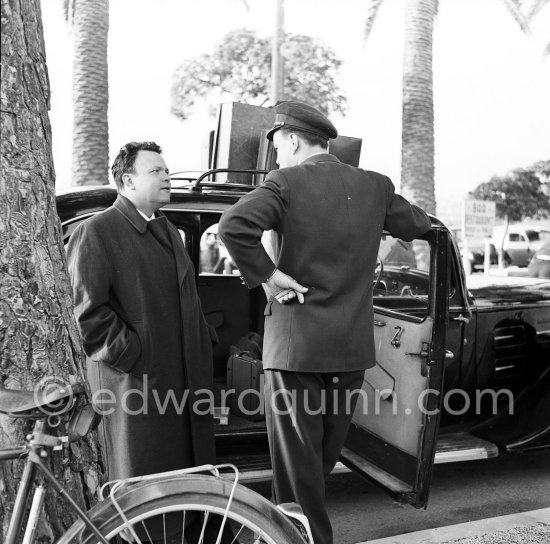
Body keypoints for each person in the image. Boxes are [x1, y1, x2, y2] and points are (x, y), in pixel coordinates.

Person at [218, 101, 432, 544]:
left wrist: (271, 276)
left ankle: (297, 537)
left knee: (298, 472)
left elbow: (234, 224)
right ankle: (282, 534)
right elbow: (418, 224)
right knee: (317, 463)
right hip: (350, 351)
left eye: (277, 144)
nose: (276, 154)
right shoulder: (376, 186)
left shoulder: (285, 182)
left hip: (296, 350)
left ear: (293, 139)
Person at [67, 141, 231, 543]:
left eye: (166, 169)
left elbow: (183, 297)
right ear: (127, 180)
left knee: (188, 486)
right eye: (156, 171)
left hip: (181, 379)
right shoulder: (96, 230)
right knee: (144, 493)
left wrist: (201, 340)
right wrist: (137, 354)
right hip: (137, 385)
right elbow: (87, 315)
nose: (166, 176)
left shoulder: (167, 229)